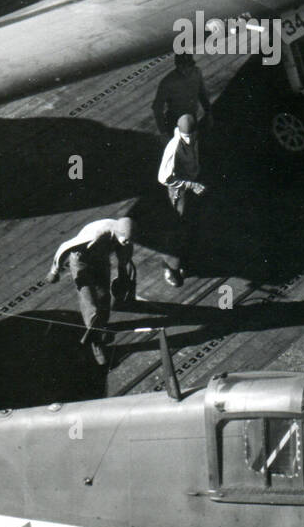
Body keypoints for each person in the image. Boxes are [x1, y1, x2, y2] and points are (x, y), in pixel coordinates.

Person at [46, 216, 136, 364]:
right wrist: (54, 271)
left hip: (100, 261)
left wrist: (123, 276)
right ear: (118, 233)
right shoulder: (95, 235)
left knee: (104, 297)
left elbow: (124, 257)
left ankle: (101, 325)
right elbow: (64, 247)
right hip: (81, 263)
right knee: (90, 303)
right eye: (126, 240)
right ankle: (96, 342)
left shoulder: (124, 237)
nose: (128, 243)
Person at [157, 113, 204, 287]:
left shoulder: (194, 137)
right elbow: (164, 178)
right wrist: (190, 185)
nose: (190, 140)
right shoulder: (174, 147)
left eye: (192, 135)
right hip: (179, 192)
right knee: (178, 229)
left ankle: (182, 261)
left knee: (190, 225)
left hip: (192, 184)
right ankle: (170, 266)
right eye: (186, 136)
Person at [152, 53, 212, 137]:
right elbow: (157, 107)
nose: (186, 69)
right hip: (175, 123)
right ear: (177, 66)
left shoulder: (197, 73)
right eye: (182, 66)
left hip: (192, 118)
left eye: (189, 66)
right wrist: (163, 132)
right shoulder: (167, 82)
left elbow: (202, 93)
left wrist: (208, 112)